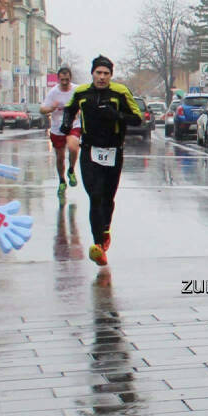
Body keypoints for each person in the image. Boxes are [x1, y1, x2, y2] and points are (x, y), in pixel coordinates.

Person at [60, 55, 141, 266]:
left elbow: (138, 118)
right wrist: (66, 126)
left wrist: (117, 116)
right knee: (95, 196)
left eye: (106, 73)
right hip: (89, 150)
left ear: (110, 76)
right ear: (92, 74)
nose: (102, 77)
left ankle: (105, 230)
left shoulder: (120, 92)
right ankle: (98, 246)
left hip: (113, 151)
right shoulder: (81, 93)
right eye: (98, 73)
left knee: (107, 198)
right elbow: (69, 109)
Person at [41, 66, 81, 198]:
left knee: (73, 147)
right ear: (58, 79)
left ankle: (71, 170)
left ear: (70, 78)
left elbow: (83, 104)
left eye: (67, 79)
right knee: (60, 157)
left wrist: (79, 110)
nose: (65, 81)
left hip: (73, 125)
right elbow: (42, 109)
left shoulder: (76, 90)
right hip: (57, 128)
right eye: (62, 79)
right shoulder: (53, 92)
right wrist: (52, 108)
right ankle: (62, 180)